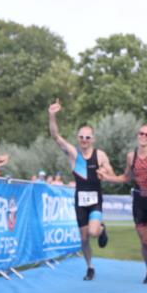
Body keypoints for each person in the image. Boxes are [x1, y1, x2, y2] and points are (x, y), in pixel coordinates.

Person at [48, 99, 114, 281]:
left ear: (93, 139)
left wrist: (105, 172)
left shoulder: (100, 155)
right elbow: (56, 136)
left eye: (88, 137)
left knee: (93, 232)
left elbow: (111, 173)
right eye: (81, 137)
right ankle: (90, 267)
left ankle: (101, 229)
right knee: (84, 239)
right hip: (80, 200)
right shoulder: (73, 154)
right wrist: (52, 115)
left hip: (95, 199)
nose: (84, 140)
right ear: (78, 138)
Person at [104, 124, 147, 283]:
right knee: (145, 243)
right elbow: (126, 178)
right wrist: (107, 177)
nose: (144, 136)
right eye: (142, 133)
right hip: (139, 202)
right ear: (137, 135)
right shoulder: (130, 157)